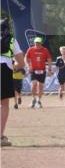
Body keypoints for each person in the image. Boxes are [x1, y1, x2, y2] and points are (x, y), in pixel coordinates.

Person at [1, 18, 25, 147]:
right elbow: (21, 63)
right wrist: (13, 66)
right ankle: (0, 137)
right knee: (4, 105)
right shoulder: (11, 40)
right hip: (4, 69)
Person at [24, 37, 52, 109]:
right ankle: (33, 99)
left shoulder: (45, 50)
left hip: (42, 70)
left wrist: (49, 69)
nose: (37, 44)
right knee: (34, 84)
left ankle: (39, 100)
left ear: (41, 43)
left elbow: (49, 59)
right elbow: (25, 58)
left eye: (39, 42)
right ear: (34, 43)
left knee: (41, 86)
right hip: (33, 70)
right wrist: (28, 66)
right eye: (36, 42)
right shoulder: (31, 49)